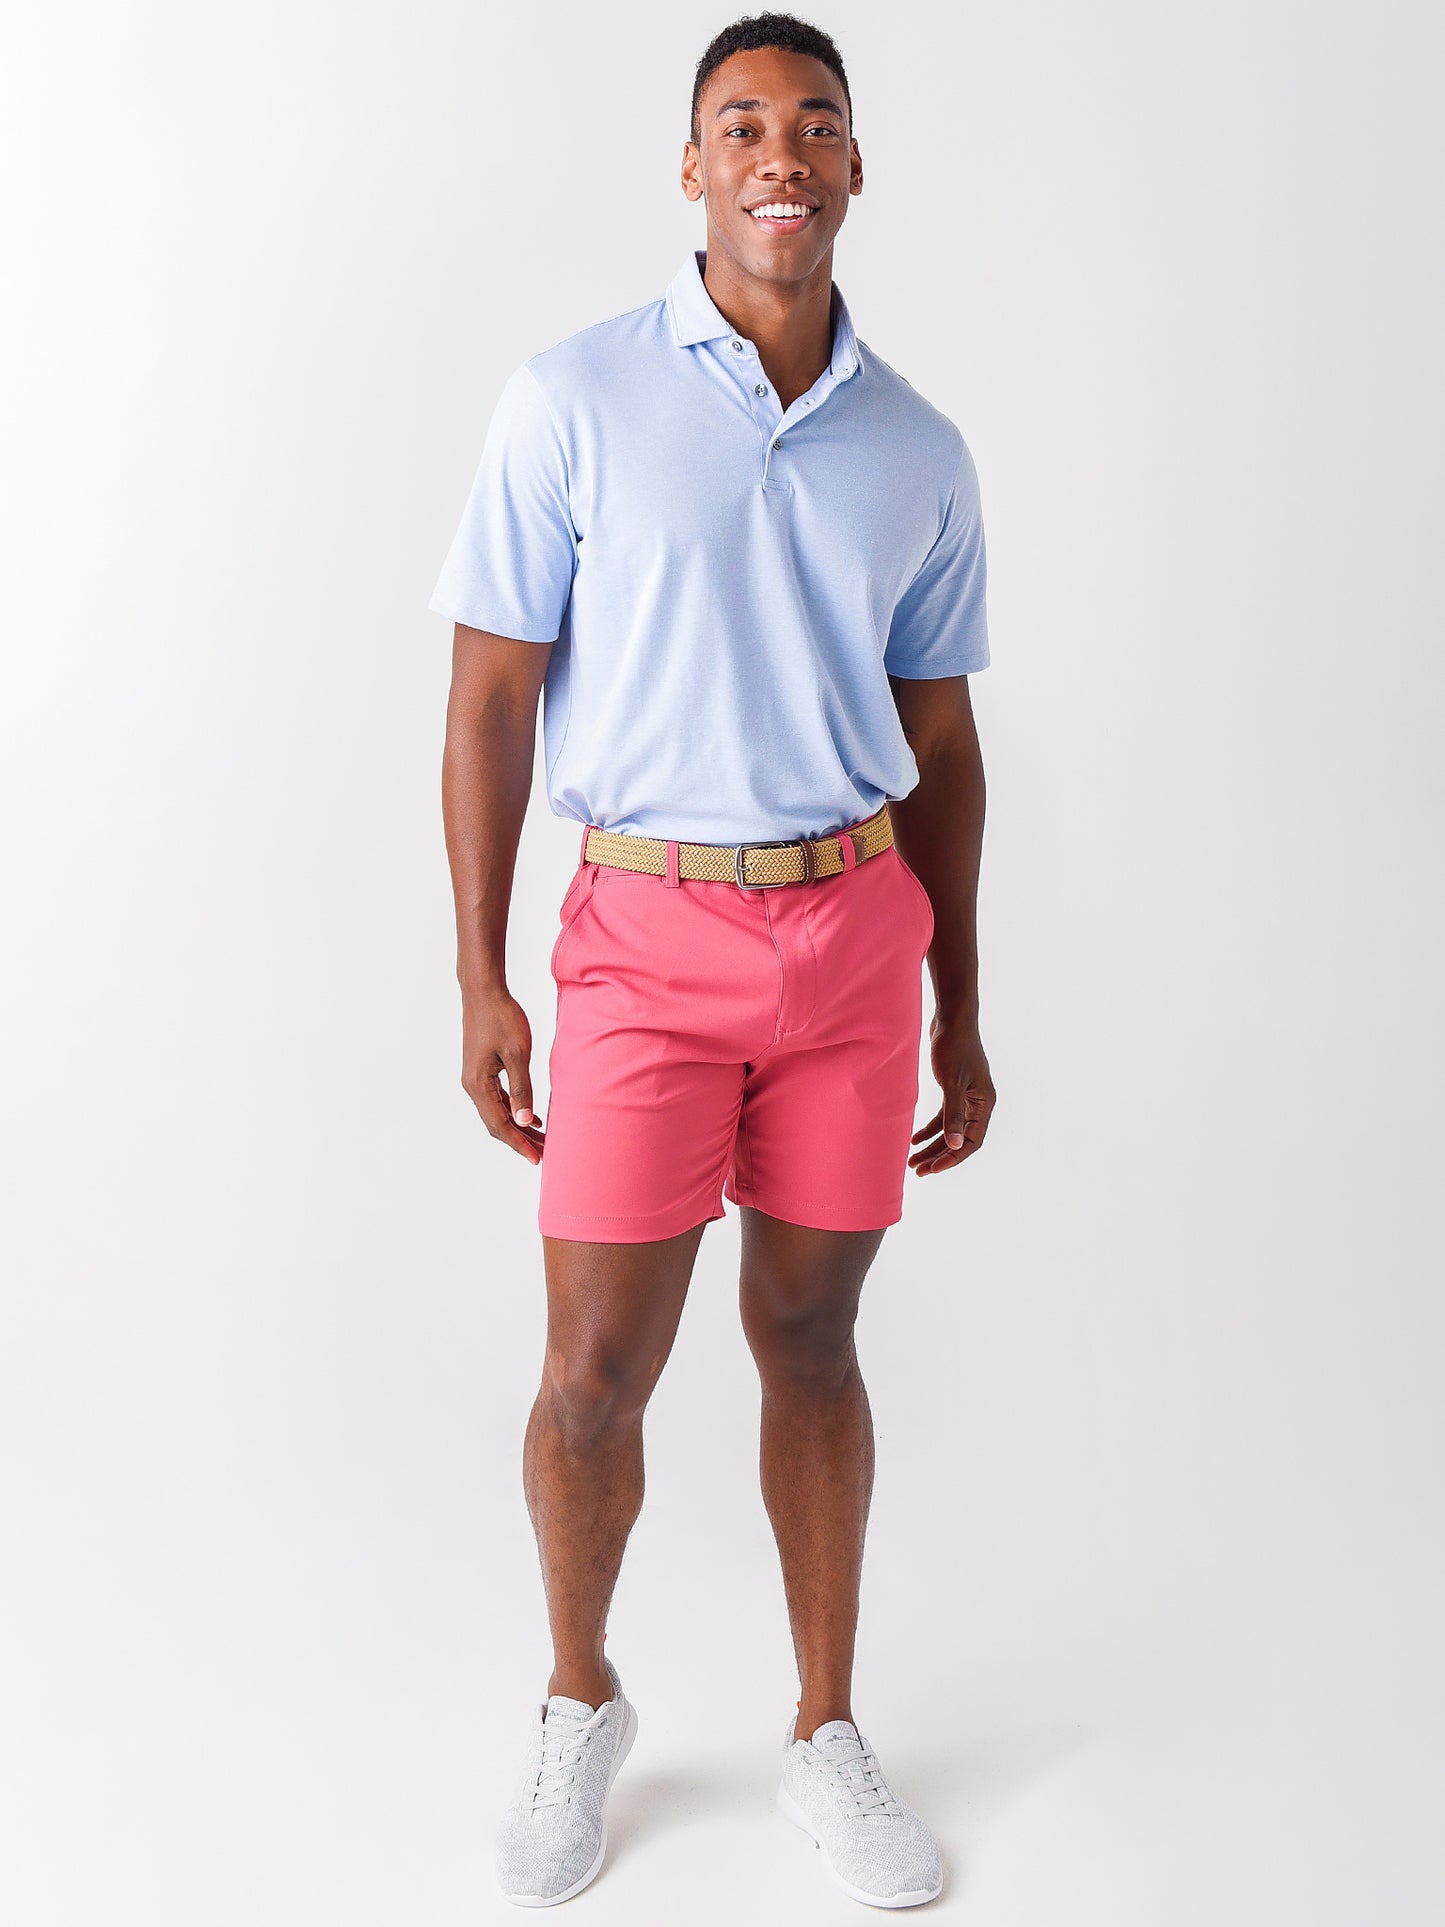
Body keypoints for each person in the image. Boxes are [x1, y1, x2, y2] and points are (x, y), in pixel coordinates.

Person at [431, 11, 996, 1909]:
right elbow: (490, 693)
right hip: (641, 937)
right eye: (741, 124)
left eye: (814, 124)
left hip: (851, 940)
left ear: (854, 168)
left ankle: (824, 1731)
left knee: (812, 1342)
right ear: (692, 169)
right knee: (594, 1369)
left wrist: (964, 1004)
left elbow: (940, 741)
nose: (780, 154)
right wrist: (479, 973)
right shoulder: (570, 400)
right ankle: (577, 1698)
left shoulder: (917, 447)